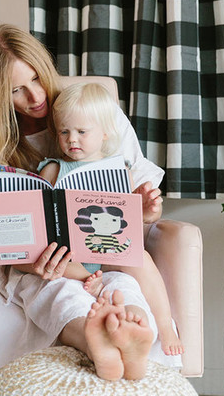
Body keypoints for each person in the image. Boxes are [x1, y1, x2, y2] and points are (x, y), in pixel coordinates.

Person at [0, 24, 179, 383]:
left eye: (36, 78)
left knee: (124, 283)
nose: (34, 96)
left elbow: (129, 211)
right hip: (37, 263)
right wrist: (32, 263)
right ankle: (96, 338)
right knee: (59, 292)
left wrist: (146, 215)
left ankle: (131, 333)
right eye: (16, 90)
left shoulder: (92, 110)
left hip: (103, 248)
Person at [37, 81, 183, 357]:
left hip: (107, 249)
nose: (72, 139)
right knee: (54, 258)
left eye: (82, 132)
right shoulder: (54, 169)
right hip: (71, 254)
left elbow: (131, 222)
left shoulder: (120, 170)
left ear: (105, 132)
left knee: (141, 259)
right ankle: (92, 278)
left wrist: (146, 209)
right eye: (64, 132)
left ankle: (165, 326)